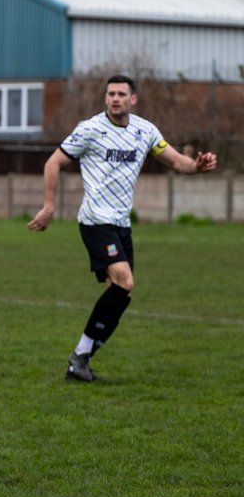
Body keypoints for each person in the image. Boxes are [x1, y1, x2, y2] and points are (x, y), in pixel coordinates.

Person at [27, 74, 217, 381]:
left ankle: (81, 360)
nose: (115, 98)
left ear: (133, 99)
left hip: (121, 223)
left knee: (121, 295)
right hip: (95, 220)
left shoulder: (145, 131)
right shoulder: (90, 129)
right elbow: (53, 163)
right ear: (105, 98)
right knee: (124, 282)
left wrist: (197, 166)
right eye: (111, 94)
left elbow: (176, 161)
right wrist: (49, 206)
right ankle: (79, 357)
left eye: (121, 94)